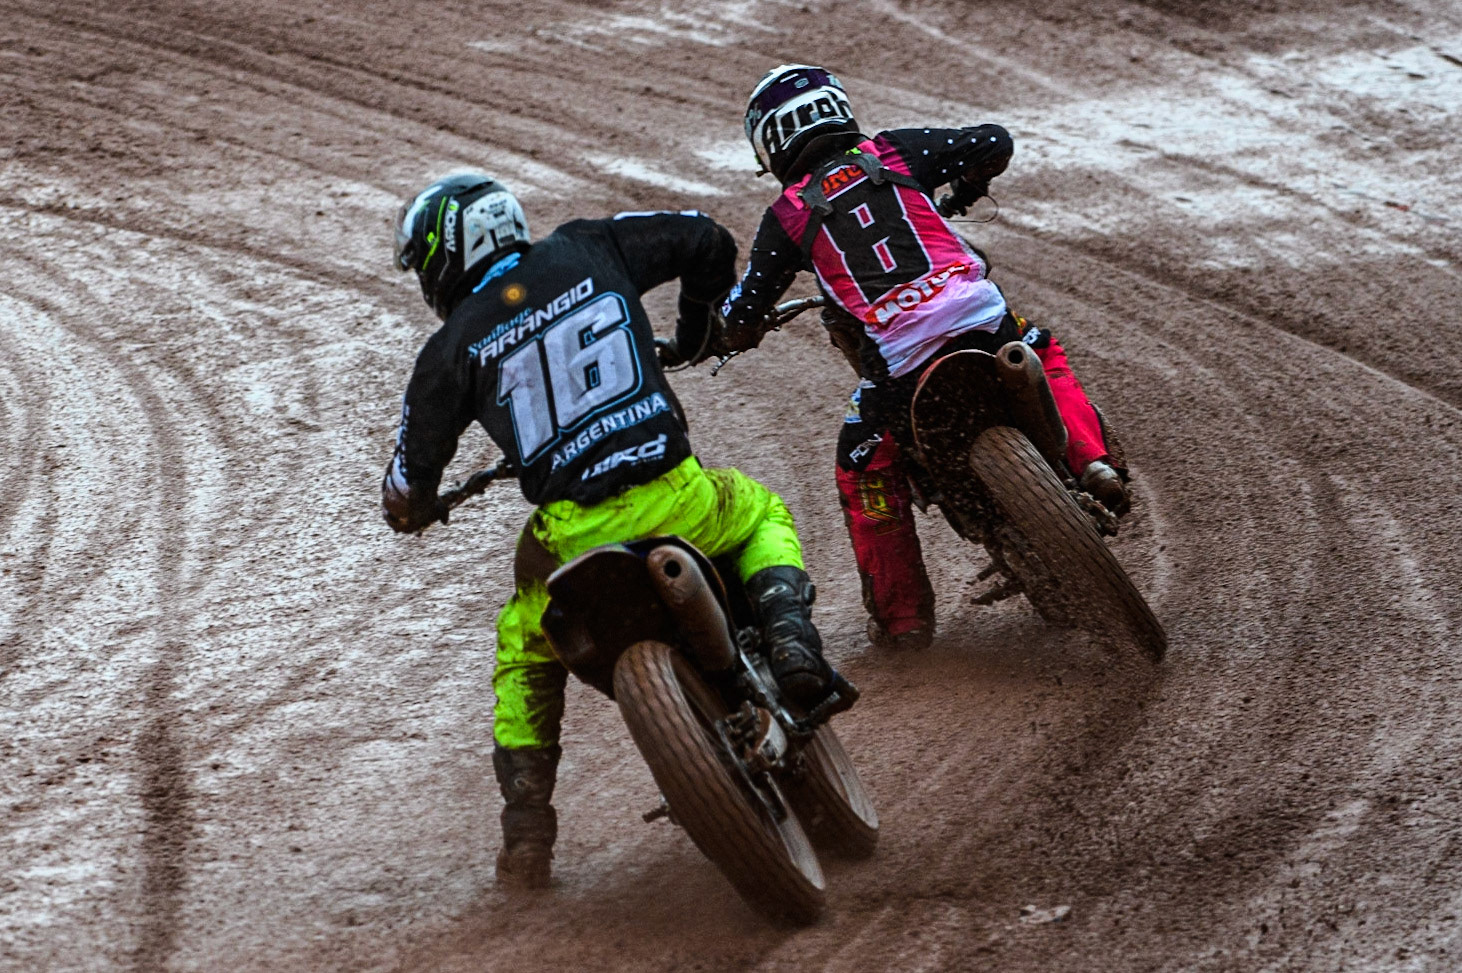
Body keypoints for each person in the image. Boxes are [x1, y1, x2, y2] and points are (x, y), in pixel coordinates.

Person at [381, 174, 839, 889]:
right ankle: (790, 637)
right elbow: (706, 238)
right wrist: (694, 329)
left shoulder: (450, 348)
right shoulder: (586, 246)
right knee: (760, 509)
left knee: (522, 644)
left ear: (446, 253)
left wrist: (414, 508)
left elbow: (405, 489)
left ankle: (527, 834)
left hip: (577, 532)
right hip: (676, 494)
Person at [719, 64, 1129, 652]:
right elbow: (995, 141)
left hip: (901, 364)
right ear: (837, 108)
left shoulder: (786, 215)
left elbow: (742, 309)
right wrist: (962, 192)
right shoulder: (896, 153)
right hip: (981, 321)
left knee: (862, 462)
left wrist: (730, 334)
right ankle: (1093, 463)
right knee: (1041, 349)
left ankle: (902, 618)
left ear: (771, 145)